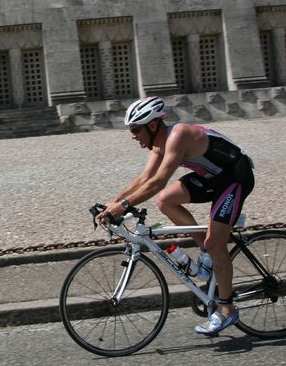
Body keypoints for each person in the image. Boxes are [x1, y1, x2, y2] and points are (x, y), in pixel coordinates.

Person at [96, 96, 255, 336]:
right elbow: (145, 178)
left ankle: (226, 310)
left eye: (136, 129)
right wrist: (115, 203)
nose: (133, 135)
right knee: (165, 201)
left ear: (152, 126)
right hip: (212, 178)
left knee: (216, 243)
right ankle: (206, 252)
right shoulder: (159, 144)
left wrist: (125, 205)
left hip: (234, 178)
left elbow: (159, 181)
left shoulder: (179, 136)